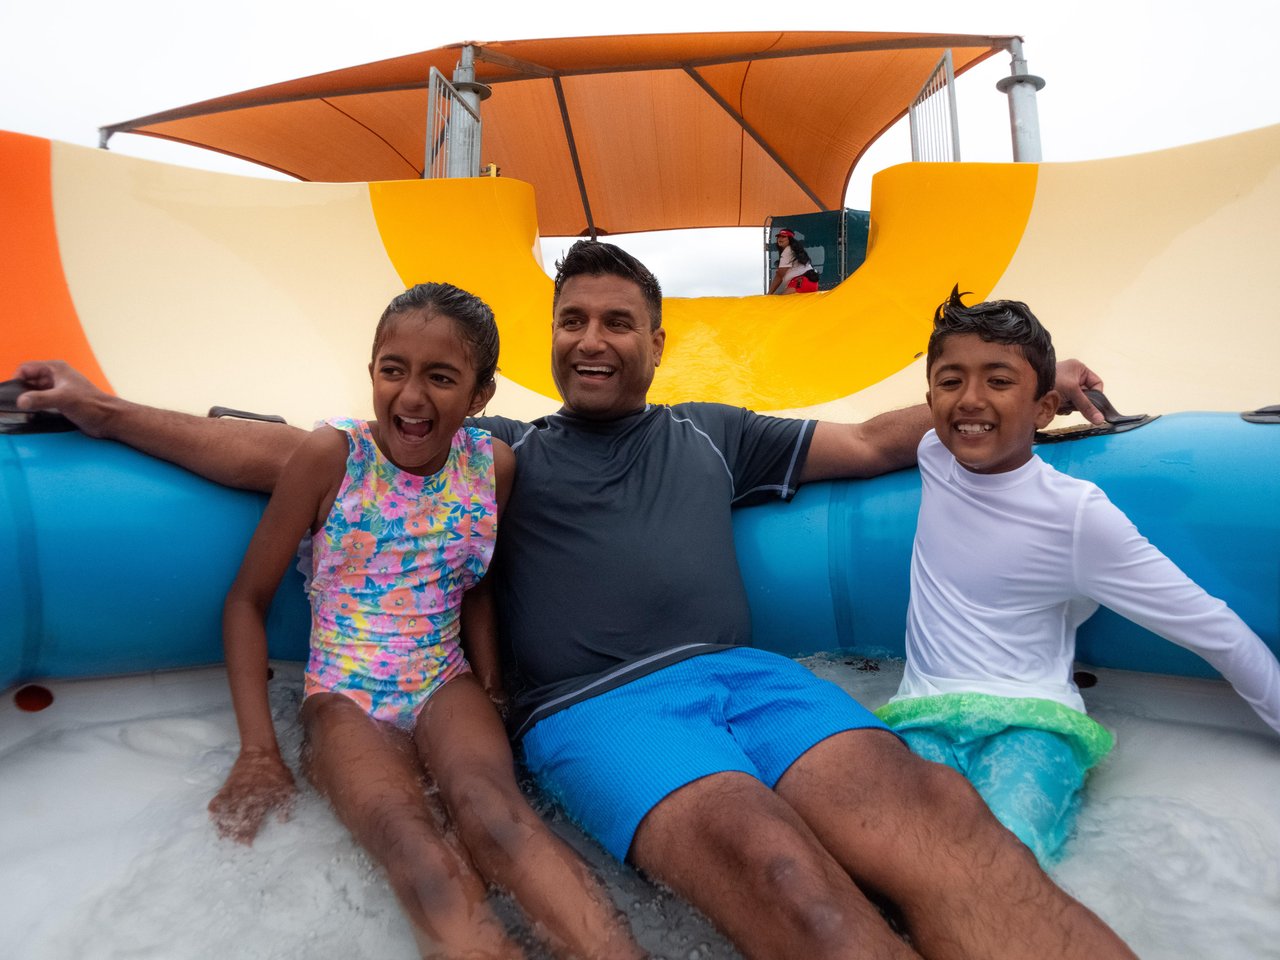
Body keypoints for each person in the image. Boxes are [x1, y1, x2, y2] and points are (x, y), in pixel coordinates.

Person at [14, 245, 1133, 960]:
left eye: (615, 320)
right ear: (548, 345)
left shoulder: (713, 430)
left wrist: (1036, 395)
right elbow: (271, 452)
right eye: (572, 319)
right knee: (788, 876)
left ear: (655, 340)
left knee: (945, 821)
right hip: (599, 710)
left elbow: (882, 435)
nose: (591, 337)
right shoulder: (493, 450)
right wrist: (104, 412)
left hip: (750, 681)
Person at [206, 282, 641, 960]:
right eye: (392, 370)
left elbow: (472, 581)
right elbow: (245, 602)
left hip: (444, 680)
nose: (411, 396)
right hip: (345, 694)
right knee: (413, 846)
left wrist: (491, 682)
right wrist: (259, 752)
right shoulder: (333, 458)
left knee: (498, 819)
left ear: (479, 396)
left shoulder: (490, 466)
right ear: (372, 371)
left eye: (440, 377)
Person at [874, 289, 1280, 865]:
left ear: (1043, 409)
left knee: (1002, 863)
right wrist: (1036, 380)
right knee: (895, 861)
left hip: (1030, 724)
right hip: (922, 716)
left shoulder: (1077, 515)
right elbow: (911, 423)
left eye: (997, 381)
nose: (969, 401)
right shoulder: (934, 456)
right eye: (950, 382)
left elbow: (1209, 625)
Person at [767, 228, 819, 294]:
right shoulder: (795, 250)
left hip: (800, 282)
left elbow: (779, 275)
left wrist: (769, 294)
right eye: (778, 237)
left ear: (790, 239)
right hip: (812, 283)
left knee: (784, 302)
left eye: (783, 237)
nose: (780, 239)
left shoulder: (788, 250)